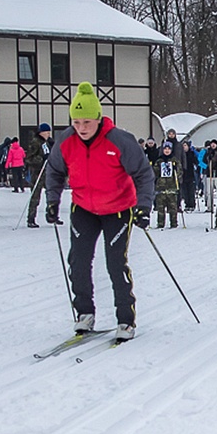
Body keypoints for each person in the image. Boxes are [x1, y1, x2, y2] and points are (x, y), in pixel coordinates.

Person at [44, 82, 154, 341]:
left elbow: (143, 174)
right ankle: (84, 314)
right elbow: (55, 171)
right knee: (78, 262)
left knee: (116, 263)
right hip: (83, 207)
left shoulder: (119, 140)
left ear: (97, 118)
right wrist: (52, 200)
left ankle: (125, 320)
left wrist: (143, 207)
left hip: (117, 209)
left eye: (86, 122)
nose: (81, 128)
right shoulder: (67, 140)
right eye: (76, 122)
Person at [25, 123, 53, 228]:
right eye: (46, 132)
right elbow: (29, 158)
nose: (48, 134)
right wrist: (41, 159)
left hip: (47, 172)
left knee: (51, 194)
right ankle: (31, 218)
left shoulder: (47, 143)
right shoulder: (35, 142)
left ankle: (52, 215)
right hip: (37, 173)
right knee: (35, 196)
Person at [153, 142, 181, 229]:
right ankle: (160, 223)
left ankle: (174, 223)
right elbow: (155, 173)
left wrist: (176, 170)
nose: (167, 150)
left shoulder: (174, 160)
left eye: (168, 149)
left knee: (173, 206)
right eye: (165, 149)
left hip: (171, 185)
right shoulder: (159, 161)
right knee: (160, 207)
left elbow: (180, 172)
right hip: (161, 186)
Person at [181, 140, 200, 211]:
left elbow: (196, 162)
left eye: (185, 146)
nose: (184, 147)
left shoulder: (191, 153)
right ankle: (187, 204)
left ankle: (192, 204)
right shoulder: (181, 154)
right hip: (183, 174)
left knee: (191, 190)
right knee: (185, 191)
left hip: (190, 174)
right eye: (183, 146)